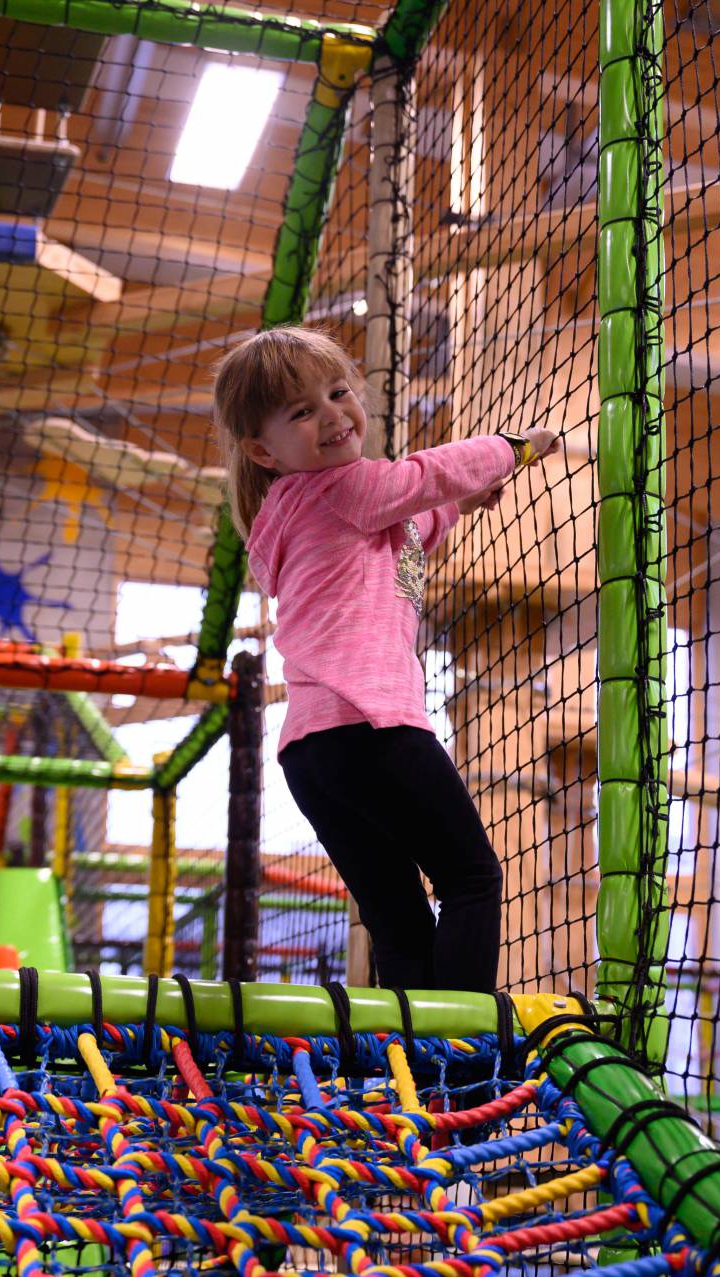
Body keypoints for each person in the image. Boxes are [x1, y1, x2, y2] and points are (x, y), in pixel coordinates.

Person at [210, 325, 560, 993]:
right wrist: (513, 451)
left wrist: (459, 504)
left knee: (398, 918)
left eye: (338, 393)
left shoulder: (314, 510)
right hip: (373, 725)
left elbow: (410, 530)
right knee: (471, 876)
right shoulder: (343, 487)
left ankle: (418, 1078)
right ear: (263, 449)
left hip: (314, 755)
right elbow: (422, 477)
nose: (333, 416)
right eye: (302, 411)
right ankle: (461, 1057)